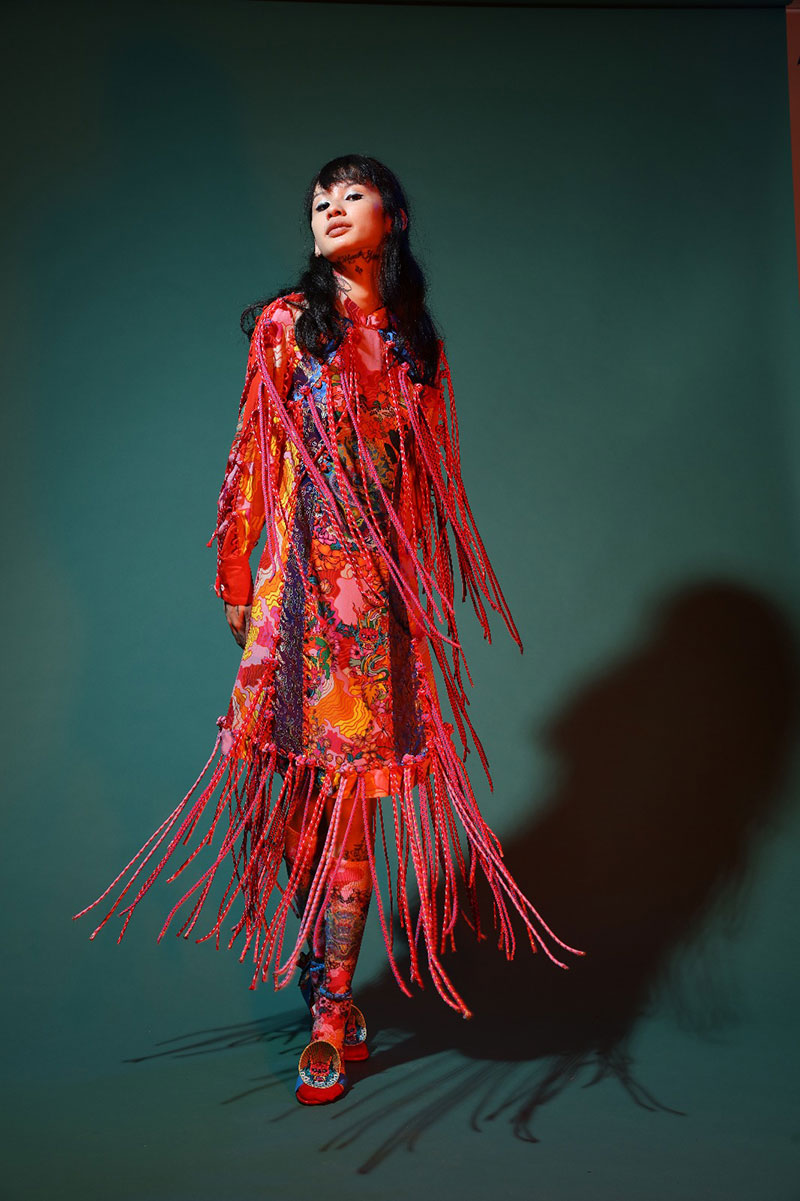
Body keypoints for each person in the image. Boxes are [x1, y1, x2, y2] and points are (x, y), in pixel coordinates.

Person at [74, 154, 582, 1105]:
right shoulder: (287, 326)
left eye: (352, 194)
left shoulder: (414, 344)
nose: (332, 208)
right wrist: (236, 570)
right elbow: (252, 452)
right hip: (297, 596)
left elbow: (428, 488)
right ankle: (323, 974)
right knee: (303, 805)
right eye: (319, 200)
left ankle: (332, 1006)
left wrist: (420, 597)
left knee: (352, 809)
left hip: (379, 611)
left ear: (395, 216)